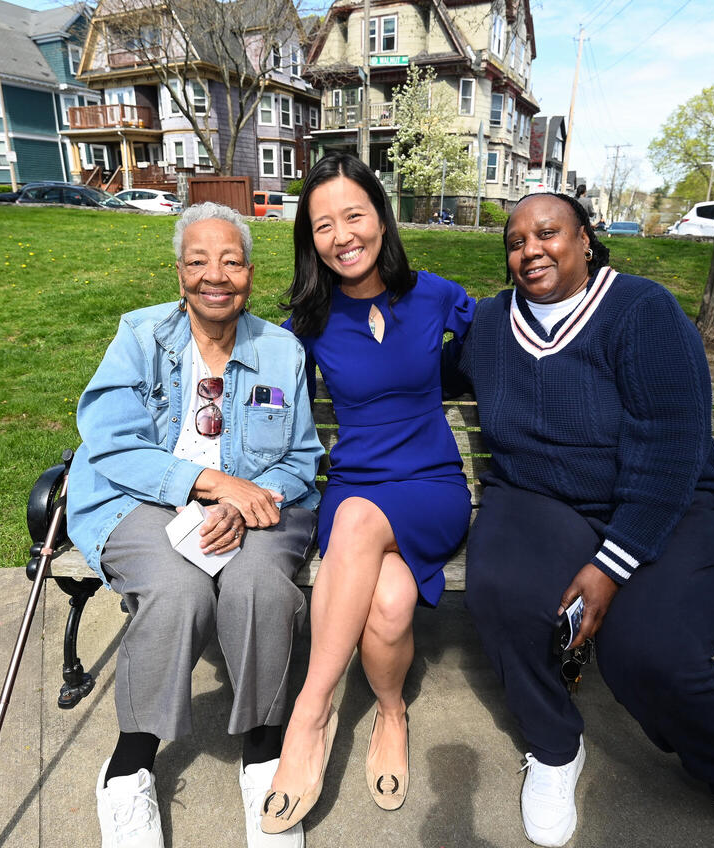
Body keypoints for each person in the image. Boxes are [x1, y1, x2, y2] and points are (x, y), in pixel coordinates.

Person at [444, 192, 714, 848]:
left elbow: (671, 450)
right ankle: (554, 747)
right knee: (503, 592)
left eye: (548, 233)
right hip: (540, 499)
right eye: (516, 241)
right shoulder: (493, 323)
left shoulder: (642, 310)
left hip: (672, 504)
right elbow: (423, 370)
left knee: (648, 652)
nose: (530, 250)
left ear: (585, 239)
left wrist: (611, 564)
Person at [67, 202, 324, 848]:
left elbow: (301, 459)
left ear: (250, 274)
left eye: (232, 262)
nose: (216, 276)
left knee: (260, 586)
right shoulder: (140, 336)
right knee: (178, 590)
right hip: (143, 500)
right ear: (179, 273)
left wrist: (243, 501)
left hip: (258, 503)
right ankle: (129, 768)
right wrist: (210, 485)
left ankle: (264, 756)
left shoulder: (281, 351)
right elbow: (111, 441)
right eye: (199, 261)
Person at [260, 152, 473, 833]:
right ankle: (391, 712)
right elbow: (258, 389)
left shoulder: (434, 296)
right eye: (323, 225)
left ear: (381, 217)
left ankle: (310, 714)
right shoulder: (309, 322)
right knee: (387, 605)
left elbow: (501, 345)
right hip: (356, 485)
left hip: (431, 489)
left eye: (354, 215)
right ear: (310, 239)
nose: (342, 235)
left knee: (353, 521)